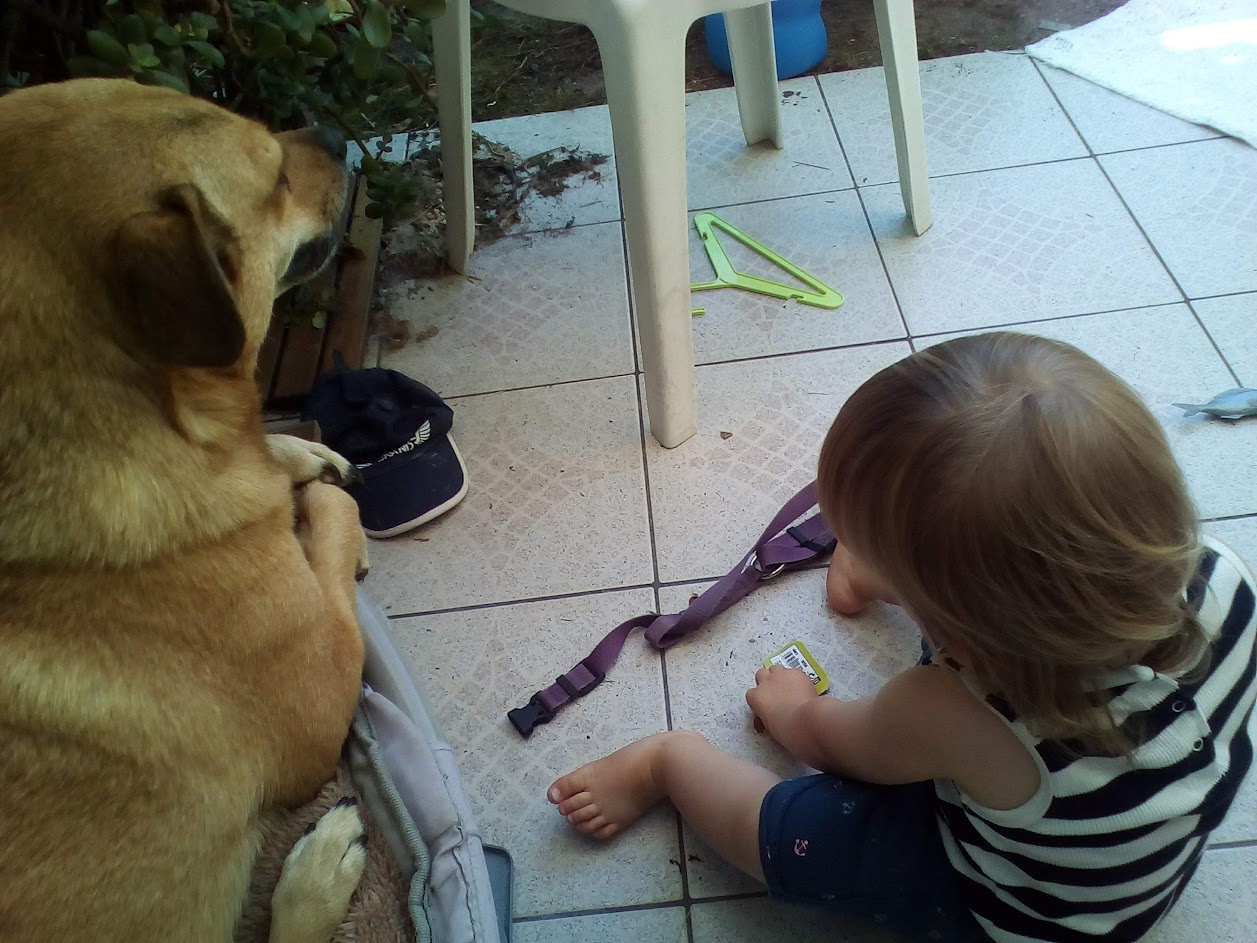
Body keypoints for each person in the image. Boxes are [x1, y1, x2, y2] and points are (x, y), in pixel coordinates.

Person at [547, 332, 1257, 943]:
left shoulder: (951, 706)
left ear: (960, 632)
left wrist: (792, 706)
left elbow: (833, 745)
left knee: (799, 836)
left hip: (1016, 909)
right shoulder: (1223, 575)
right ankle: (885, 574)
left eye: (871, 549)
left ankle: (668, 763)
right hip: (1132, 873)